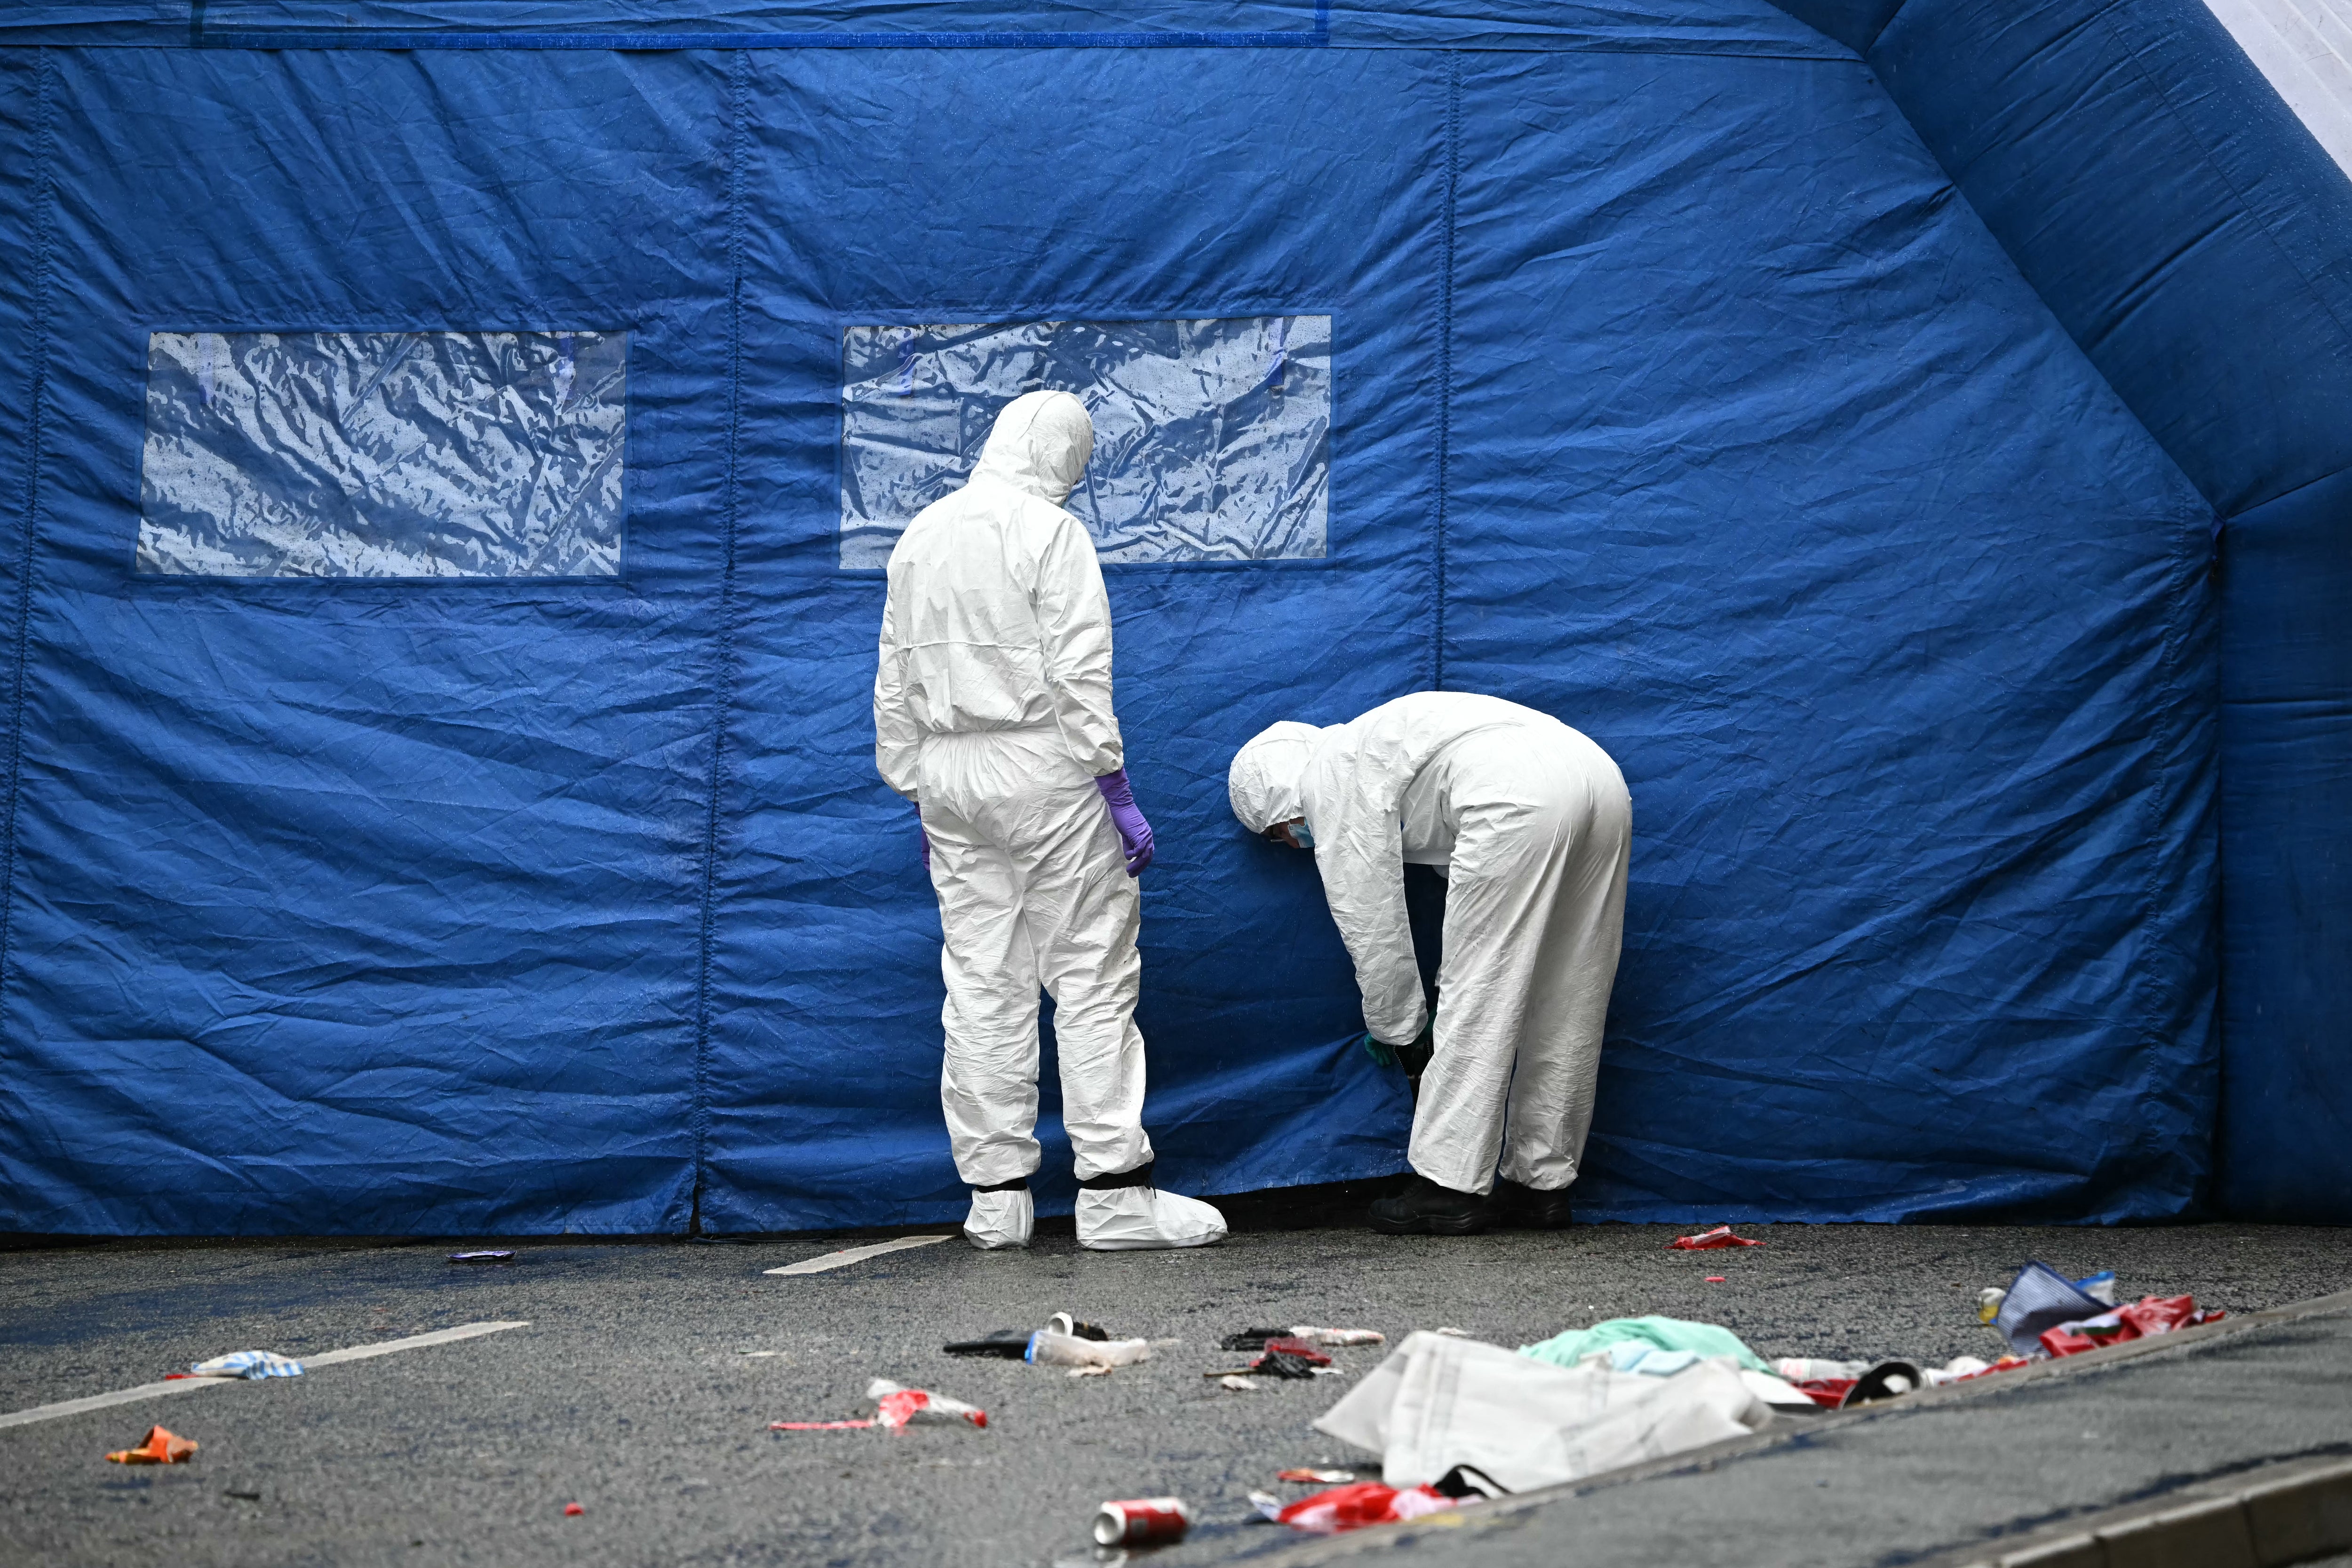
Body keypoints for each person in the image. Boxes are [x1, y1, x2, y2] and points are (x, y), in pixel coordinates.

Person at [874, 390, 1227, 1254]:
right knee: (1092, 970)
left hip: (950, 773)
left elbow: (893, 679)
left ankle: (996, 1200)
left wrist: (916, 787)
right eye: (1079, 454)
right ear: (1056, 449)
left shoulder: (922, 533)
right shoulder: (1050, 532)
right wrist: (1112, 784)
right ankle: (1113, 1194)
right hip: (1044, 765)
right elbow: (1078, 672)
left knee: (982, 981)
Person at [1226, 692, 1631, 1235]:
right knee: (1569, 989)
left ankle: (1447, 1186)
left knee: (1478, 991)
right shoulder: (1376, 747)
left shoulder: (1330, 779)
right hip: (1599, 778)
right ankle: (1540, 1185)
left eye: (1280, 833)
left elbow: (1373, 927)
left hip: (1510, 796)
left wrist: (1399, 1030)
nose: (1293, 843)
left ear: (1277, 798)